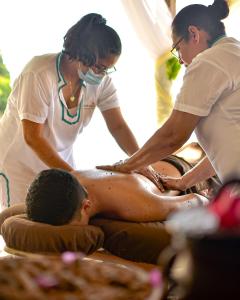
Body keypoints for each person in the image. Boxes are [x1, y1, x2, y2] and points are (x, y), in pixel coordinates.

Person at [0, 13, 141, 210]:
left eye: (108, 69)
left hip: (60, 161)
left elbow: (118, 126)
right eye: (100, 67)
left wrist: (141, 162)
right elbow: (33, 137)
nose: (102, 74)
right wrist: (77, 178)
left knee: (62, 220)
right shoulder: (38, 74)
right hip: (20, 164)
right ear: (82, 54)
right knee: (23, 226)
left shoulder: (101, 82)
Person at [98, 0, 240, 193]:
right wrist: (184, 182)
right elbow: (225, 149)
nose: (180, 60)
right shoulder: (232, 53)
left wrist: (128, 165)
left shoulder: (208, 62)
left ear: (193, 34)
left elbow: (174, 135)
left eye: (178, 48)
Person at [26, 164, 208, 226]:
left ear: (86, 206)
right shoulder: (70, 179)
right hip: (149, 165)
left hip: (187, 169)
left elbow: (197, 200)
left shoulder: (135, 207)